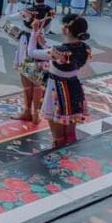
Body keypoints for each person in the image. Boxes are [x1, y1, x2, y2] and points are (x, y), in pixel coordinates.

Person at [27, 14, 91, 148]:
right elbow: (62, 53)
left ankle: (58, 155)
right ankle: (70, 155)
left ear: (67, 29)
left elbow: (31, 52)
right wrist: (44, 43)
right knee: (71, 133)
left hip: (56, 89)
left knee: (58, 137)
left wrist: (34, 32)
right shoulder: (85, 48)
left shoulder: (59, 51)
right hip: (74, 87)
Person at [13, 0, 55, 124]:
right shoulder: (50, 11)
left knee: (26, 76)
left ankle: (27, 110)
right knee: (38, 79)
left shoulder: (28, 10)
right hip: (41, 42)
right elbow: (47, 29)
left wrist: (12, 3)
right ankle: (36, 114)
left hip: (26, 42)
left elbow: (9, 18)